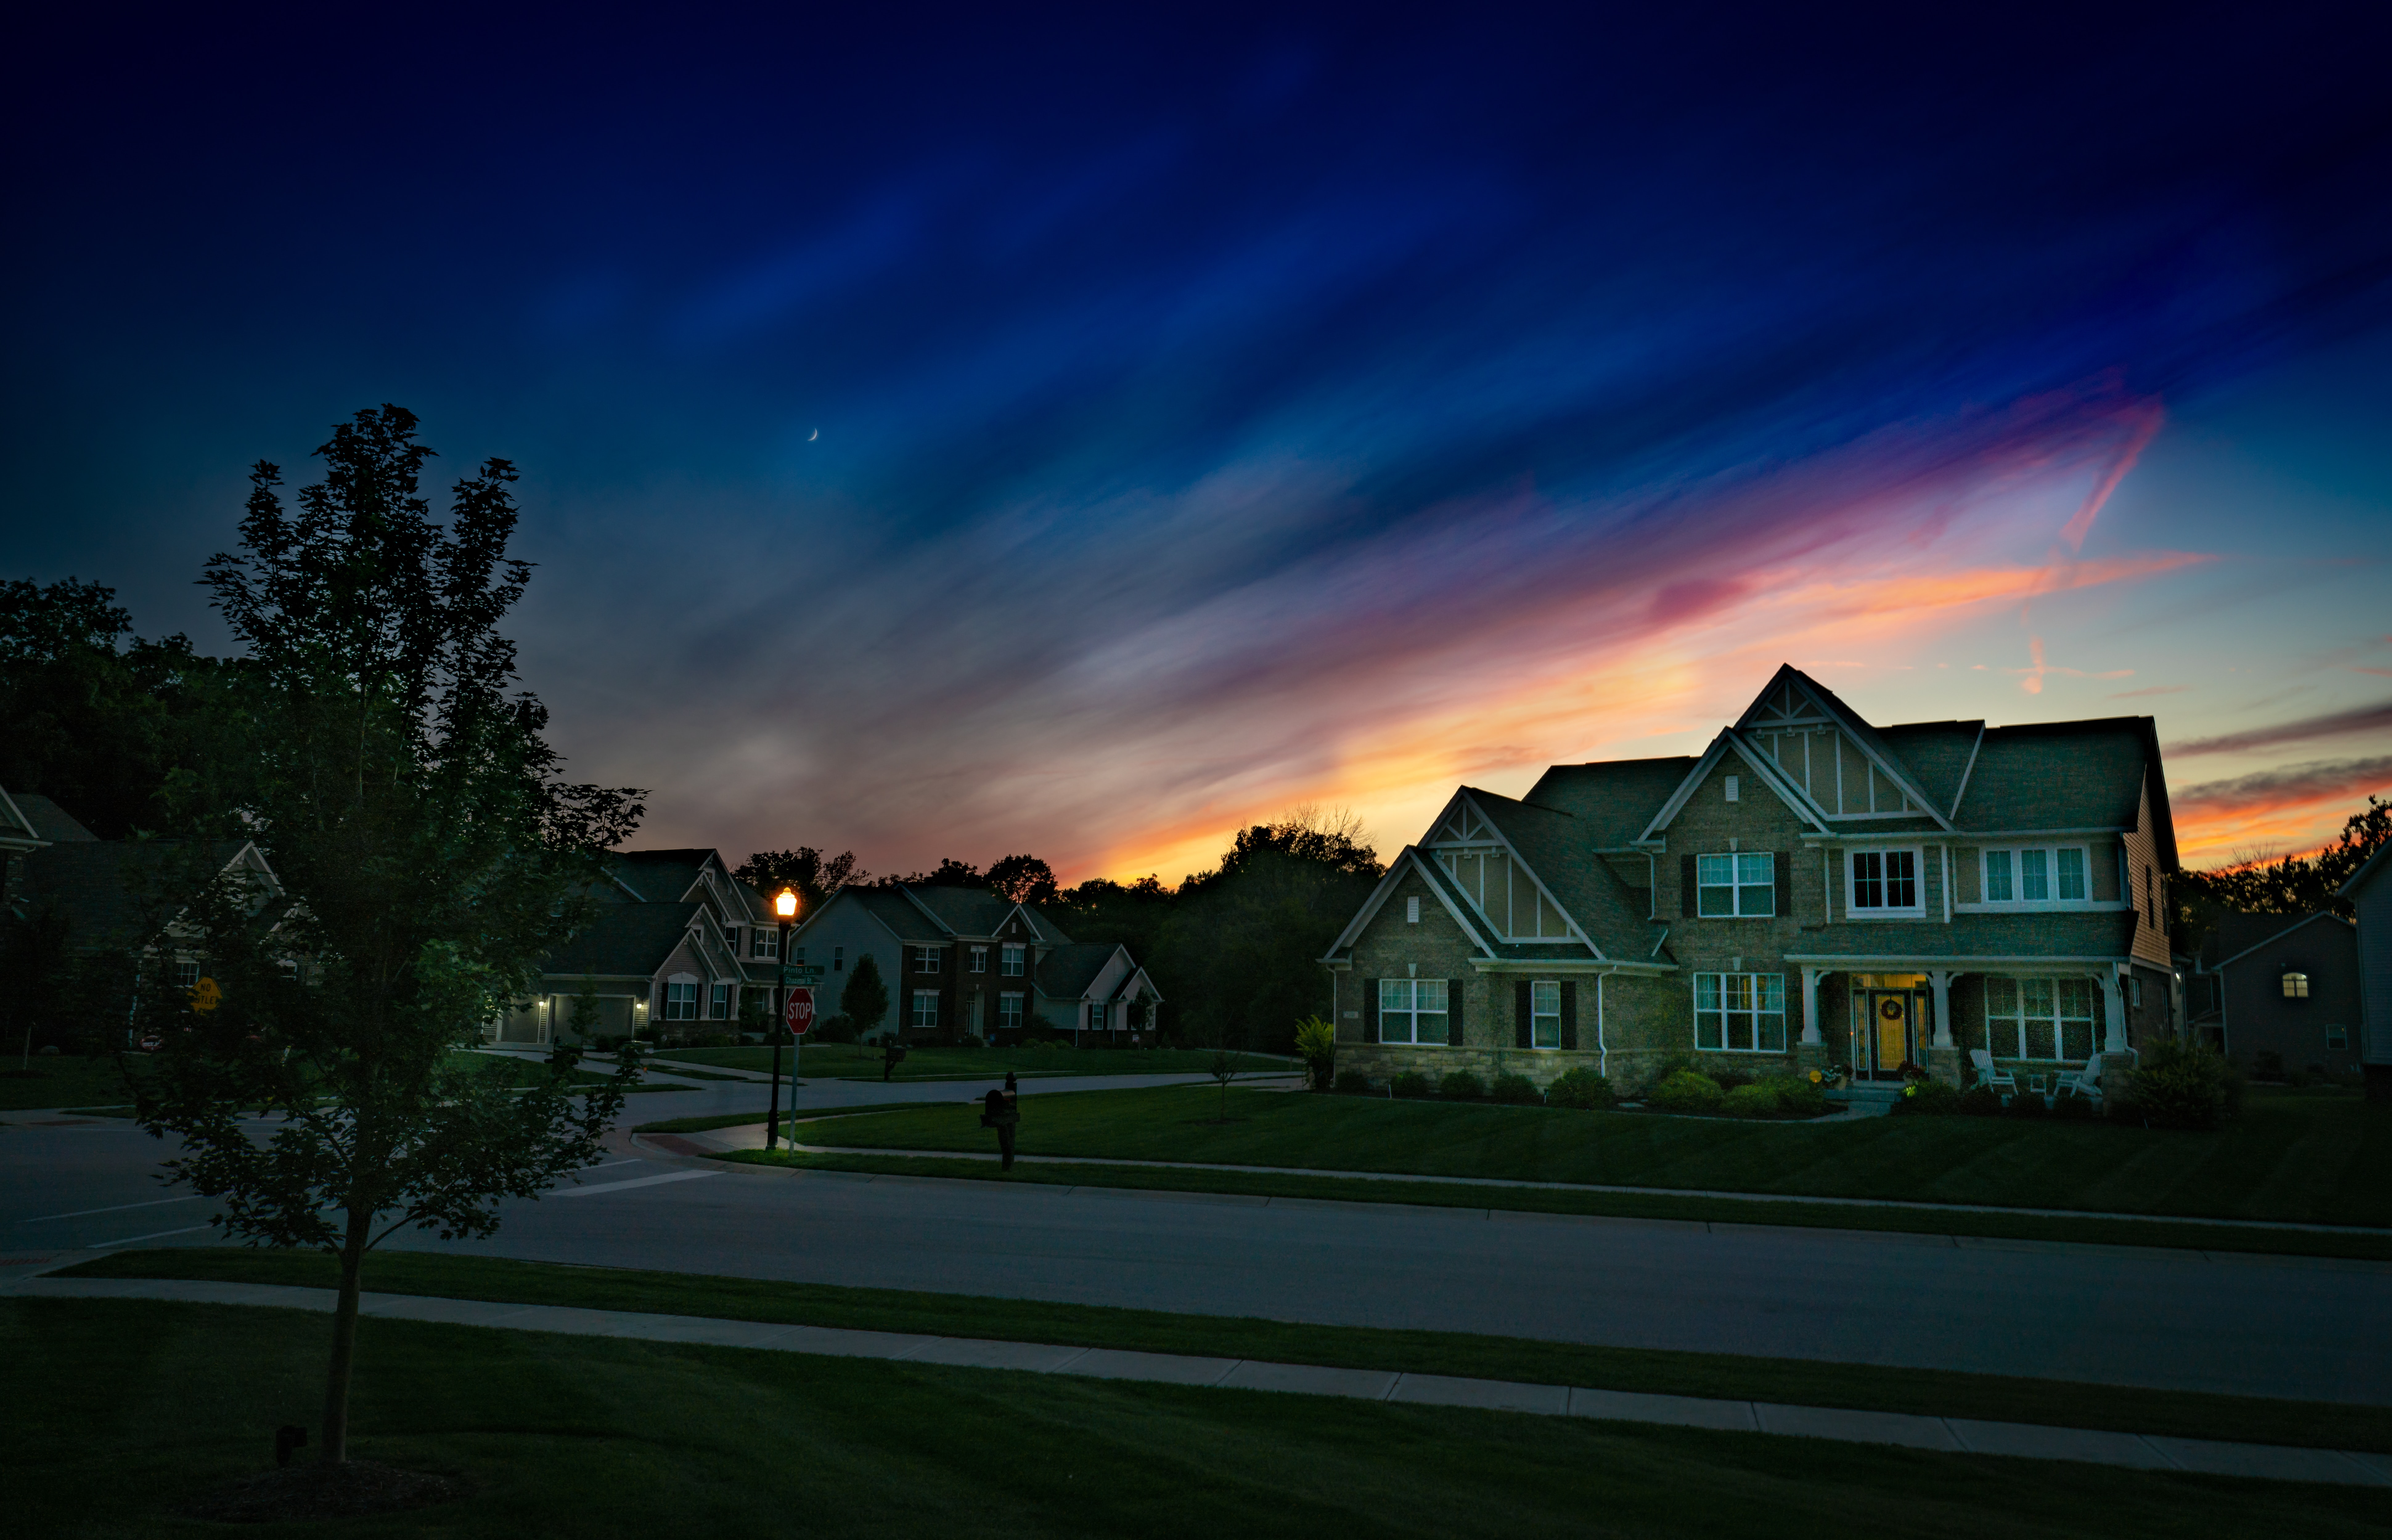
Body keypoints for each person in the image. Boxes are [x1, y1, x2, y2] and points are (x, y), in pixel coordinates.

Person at [980, 1085, 1019, 1171]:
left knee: (1006, 1142)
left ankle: (1007, 1164)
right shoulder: (1005, 1103)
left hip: (1002, 1116)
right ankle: (1007, 1165)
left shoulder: (998, 1098)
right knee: (1006, 1142)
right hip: (1002, 1116)